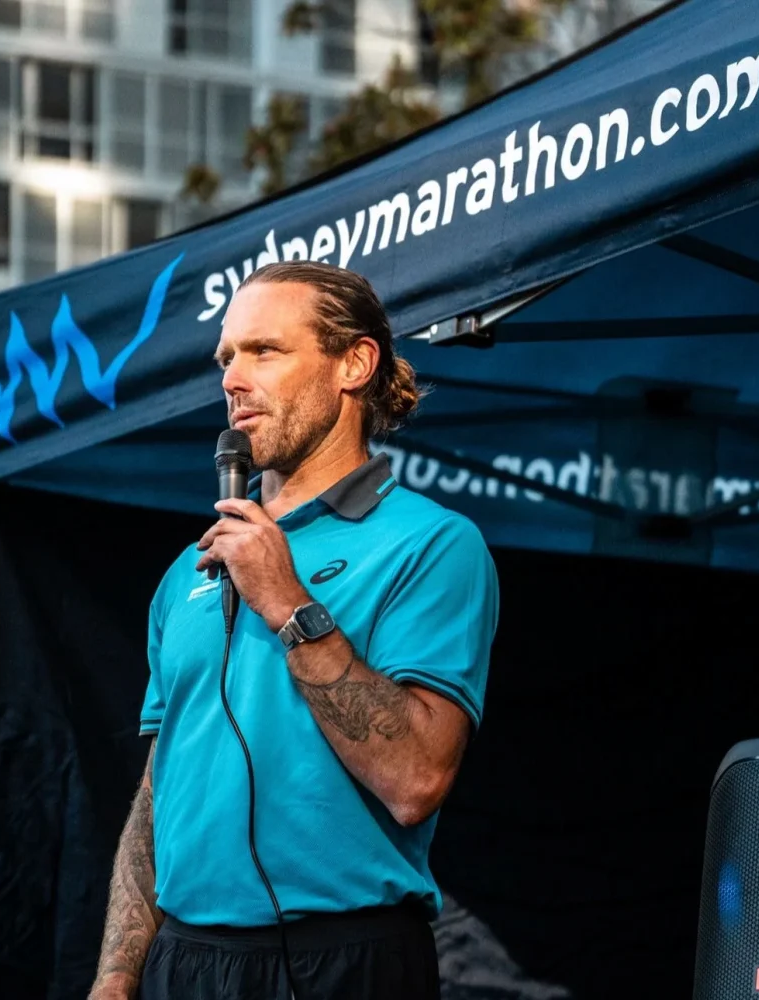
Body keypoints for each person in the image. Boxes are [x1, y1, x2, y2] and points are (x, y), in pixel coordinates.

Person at [88, 261, 499, 1000]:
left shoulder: (433, 544)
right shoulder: (190, 567)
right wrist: (118, 975)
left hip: (343, 960)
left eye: (264, 351)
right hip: (183, 961)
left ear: (354, 363)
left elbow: (415, 779)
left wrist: (287, 602)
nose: (232, 379)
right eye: (225, 358)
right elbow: (161, 786)